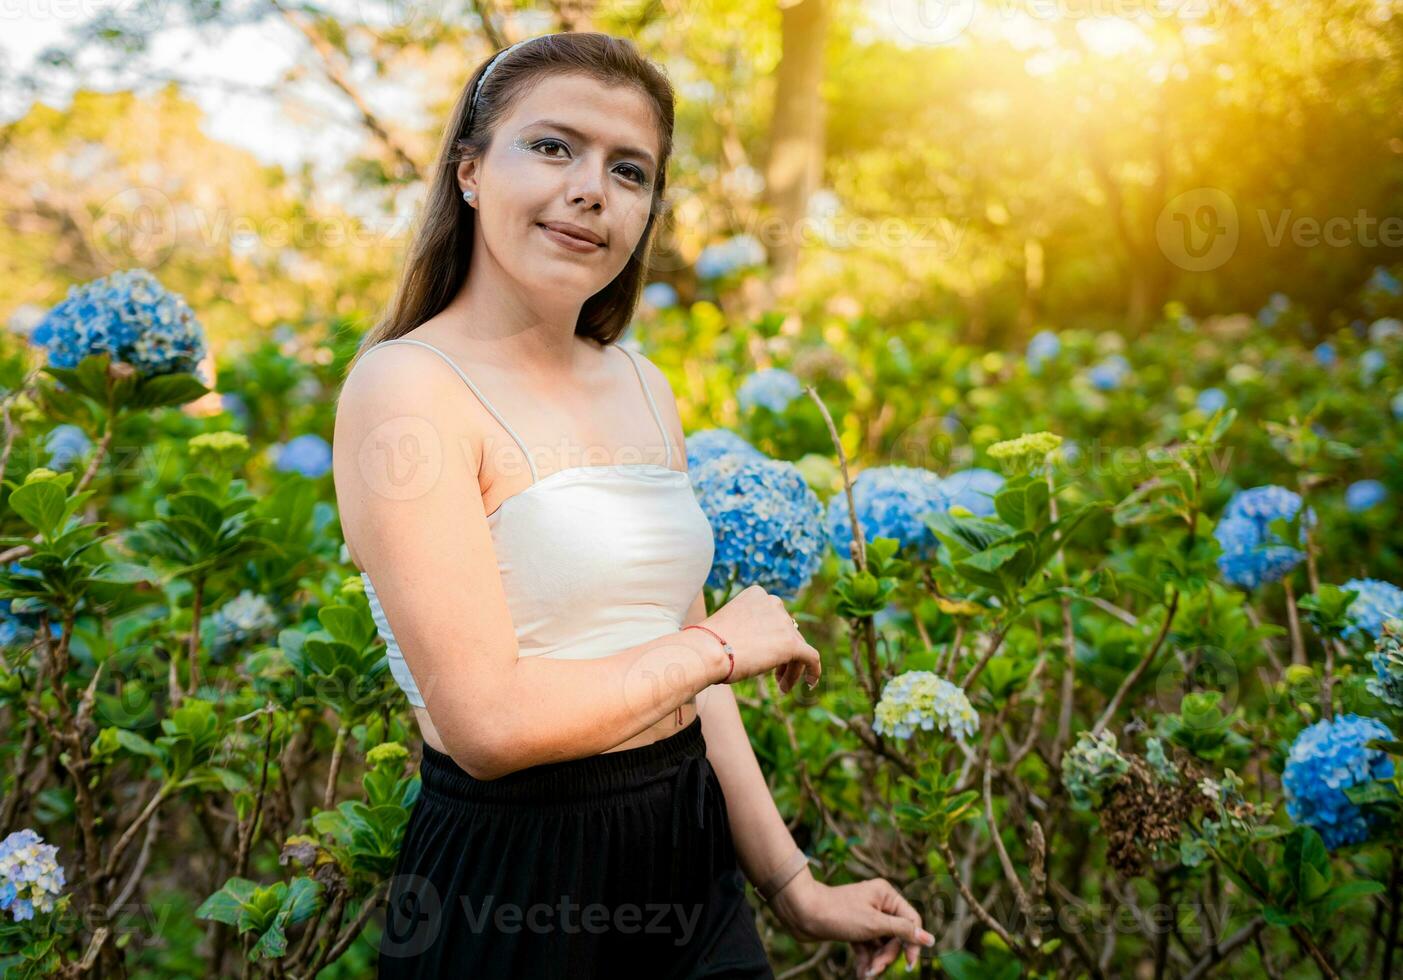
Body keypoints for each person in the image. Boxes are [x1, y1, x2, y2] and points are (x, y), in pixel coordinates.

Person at [332, 31, 934, 979]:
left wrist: (792, 887)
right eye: (552, 147)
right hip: (518, 878)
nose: (591, 189)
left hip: (688, 855)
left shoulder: (642, 383)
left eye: (629, 170)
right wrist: (719, 649)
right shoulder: (407, 390)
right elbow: (487, 727)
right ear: (470, 172)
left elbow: (689, 669)